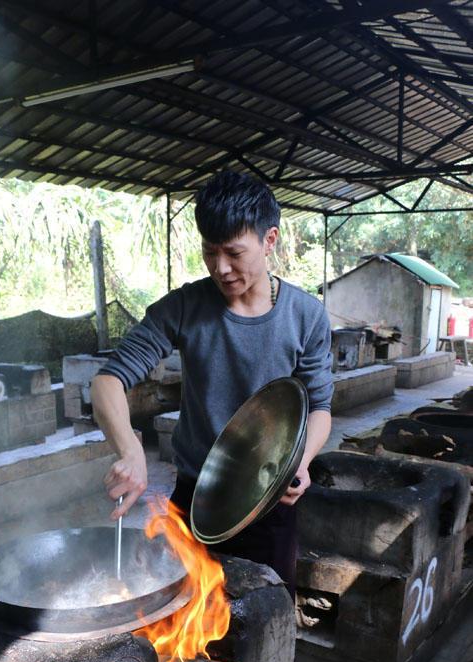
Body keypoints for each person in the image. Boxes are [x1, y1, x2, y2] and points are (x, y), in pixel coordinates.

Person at [91, 170, 333, 597]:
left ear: (269, 240)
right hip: (195, 495)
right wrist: (131, 452)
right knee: (183, 613)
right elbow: (109, 381)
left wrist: (302, 461)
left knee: (266, 612)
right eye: (210, 252)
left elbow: (319, 408)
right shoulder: (184, 307)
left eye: (235, 253)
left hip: (270, 498)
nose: (221, 268)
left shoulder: (306, 315)